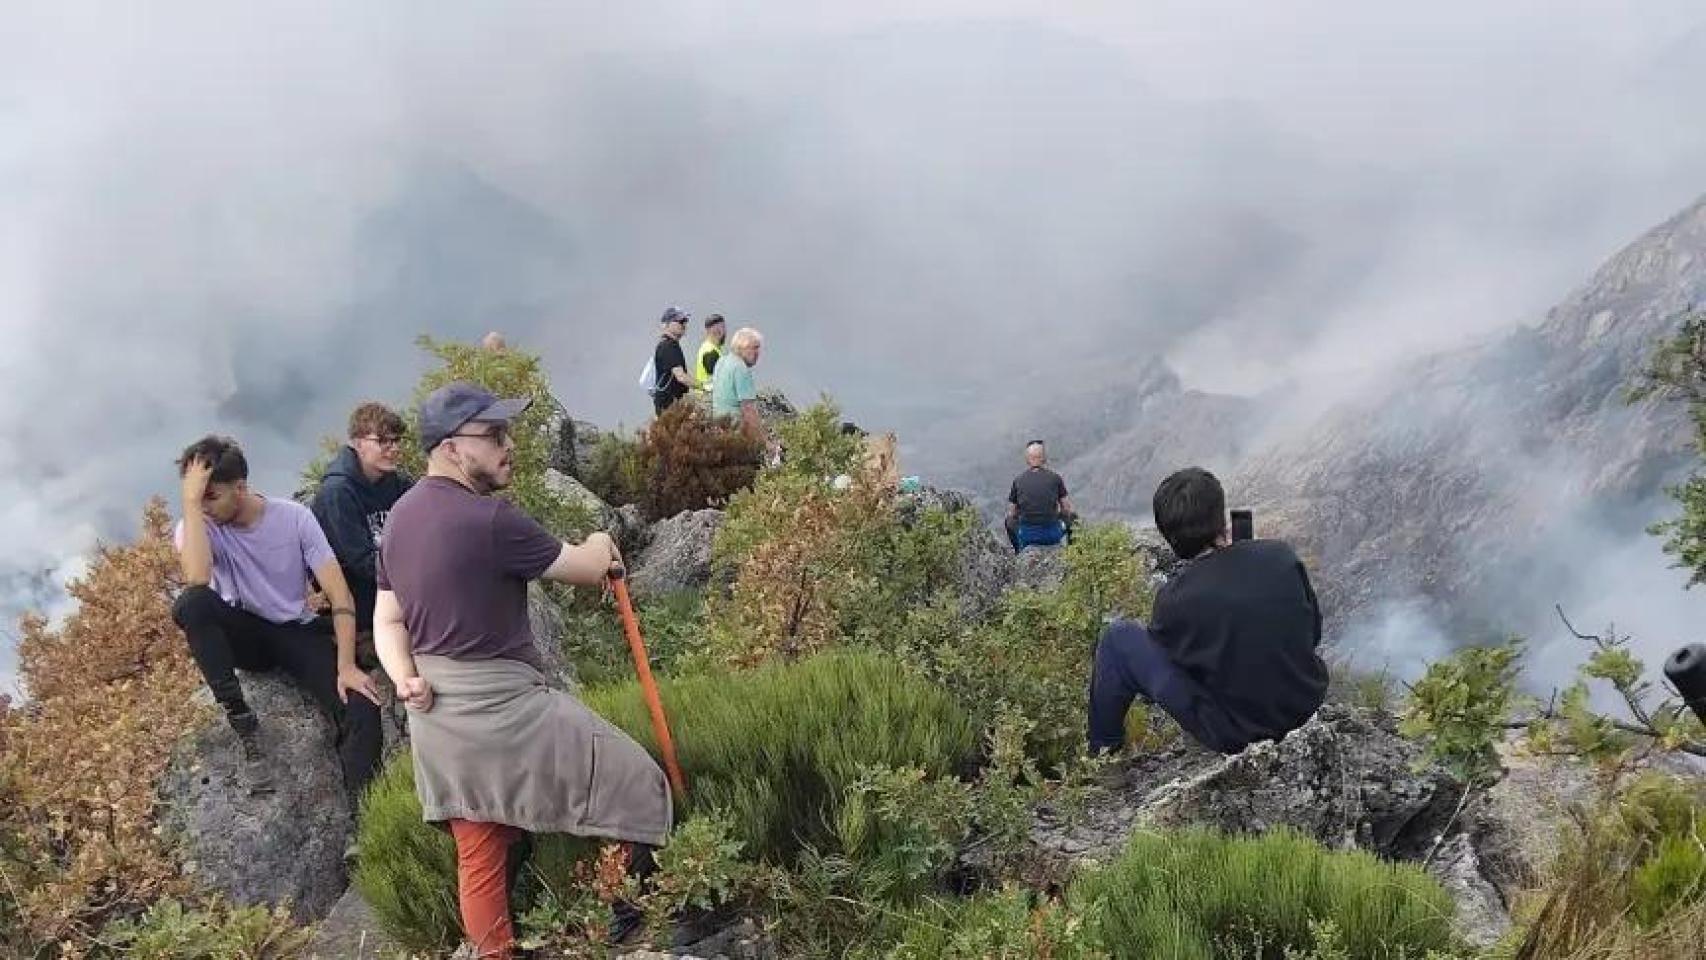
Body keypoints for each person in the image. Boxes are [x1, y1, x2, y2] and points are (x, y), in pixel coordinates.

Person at [373, 382, 672, 958]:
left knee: (479, 848)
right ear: (450, 448)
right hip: (506, 705)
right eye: (493, 435)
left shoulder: (400, 520)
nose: (508, 445)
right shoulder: (490, 521)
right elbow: (588, 568)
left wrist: (402, 675)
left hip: (438, 717)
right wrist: (603, 538)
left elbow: (388, 619)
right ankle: (618, 924)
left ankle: (493, 953)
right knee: (637, 784)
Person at [170, 436, 383, 799]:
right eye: (196, 497)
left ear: (241, 487)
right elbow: (197, 578)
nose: (203, 507)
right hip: (244, 633)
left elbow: (339, 593)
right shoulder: (196, 526)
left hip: (294, 631)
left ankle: (362, 824)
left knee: (362, 706)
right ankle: (240, 718)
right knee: (191, 604)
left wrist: (346, 666)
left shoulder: (294, 518)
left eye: (212, 497)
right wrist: (192, 503)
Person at [1087, 467, 1327, 755]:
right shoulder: (1279, 555)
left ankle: (1102, 752)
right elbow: (1313, 631)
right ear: (1221, 517)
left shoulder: (1174, 600)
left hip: (1239, 733)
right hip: (1307, 702)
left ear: (1169, 537)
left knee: (1118, 638)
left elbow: (1180, 671)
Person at [311, 403, 413, 634]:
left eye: (396, 441)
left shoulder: (399, 484)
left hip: (390, 587)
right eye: (382, 441)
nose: (393, 448)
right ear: (357, 444)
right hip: (356, 599)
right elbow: (362, 563)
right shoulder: (337, 493)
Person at [711, 326, 777, 459]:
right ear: (742, 347)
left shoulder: (722, 361)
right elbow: (749, 411)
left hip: (719, 429)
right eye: (755, 348)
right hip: (736, 433)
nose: (758, 353)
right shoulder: (741, 369)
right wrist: (767, 444)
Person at [1006, 441, 1075, 551]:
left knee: (1008, 521)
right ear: (1044, 458)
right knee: (1073, 517)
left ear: (1027, 459)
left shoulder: (1018, 480)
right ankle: (1073, 552)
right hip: (1052, 535)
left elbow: (1011, 513)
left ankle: (1019, 552)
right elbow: (1066, 508)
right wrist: (1055, 515)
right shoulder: (1055, 478)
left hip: (1027, 536)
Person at [650, 306, 693, 414]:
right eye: (680, 321)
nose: (684, 324)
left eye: (685, 321)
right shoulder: (668, 346)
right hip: (670, 408)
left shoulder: (668, 345)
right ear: (667, 324)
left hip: (670, 406)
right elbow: (681, 376)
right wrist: (703, 386)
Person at [694, 314, 726, 395]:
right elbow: (720, 379)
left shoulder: (710, 348)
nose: (724, 331)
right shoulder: (710, 351)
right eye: (722, 327)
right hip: (708, 399)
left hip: (706, 398)